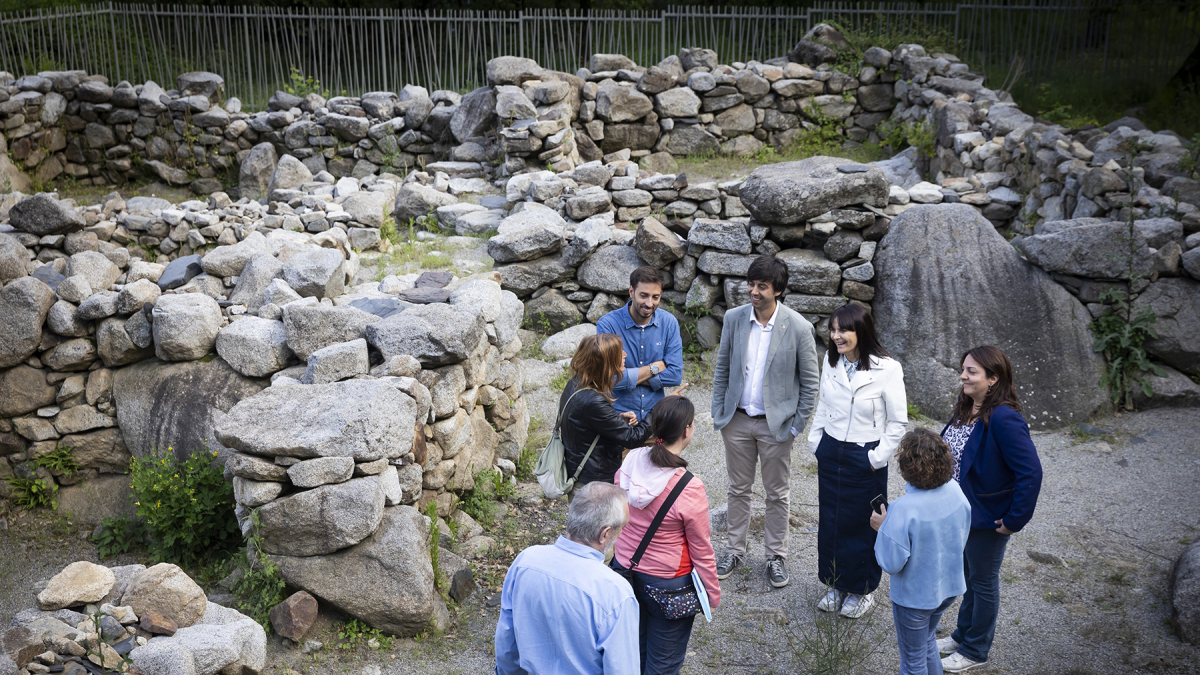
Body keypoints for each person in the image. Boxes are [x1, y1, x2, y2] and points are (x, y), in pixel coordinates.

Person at [712, 255, 820, 588]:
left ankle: (776, 556)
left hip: (777, 426)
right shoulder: (734, 319)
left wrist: (796, 425)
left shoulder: (799, 327)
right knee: (738, 489)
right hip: (738, 421)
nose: (754, 291)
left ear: (778, 291)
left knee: (777, 494)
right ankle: (734, 550)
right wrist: (720, 413)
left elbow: (811, 382)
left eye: (762, 286)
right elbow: (722, 369)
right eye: (752, 284)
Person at [937, 346, 1043, 673]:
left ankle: (975, 649)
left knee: (982, 582)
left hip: (986, 518)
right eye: (963, 369)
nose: (963, 376)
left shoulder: (1005, 418)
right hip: (959, 515)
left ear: (993, 379)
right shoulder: (965, 408)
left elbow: (1031, 472)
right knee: (968, 578)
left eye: (971, 372)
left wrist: (1014, 521)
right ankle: (961, 635)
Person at [807, 303, 909, 618]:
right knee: (832, 521)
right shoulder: (831, 360)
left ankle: (862, 590)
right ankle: (836, 583)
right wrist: (816, 441)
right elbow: (823, 402)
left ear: (860, 331)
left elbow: (898, 422)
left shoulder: (888, 368)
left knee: (863, 524)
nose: (836, 336)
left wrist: (877, 457)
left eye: (844, 330)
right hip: (831, 450)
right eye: (833, 330)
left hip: (865, 455)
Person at [611, 396, 721, 675]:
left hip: (623, 570)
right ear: (687, 430)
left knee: (631, 653)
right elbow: (701, 548)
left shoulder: (630, 462)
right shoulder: (689, 486)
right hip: (668, 584)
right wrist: (711, 592)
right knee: (663, 665)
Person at [495, 482, 640, 675]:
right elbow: (622, 670)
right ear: (605, 534)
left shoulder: (526, 561)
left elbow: (506, 640)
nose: (621, 533)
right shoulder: (616, 593)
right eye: (622, 527)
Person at [871, 429, 971, 675]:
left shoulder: (903, 508)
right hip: (948, 589)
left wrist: (882, 528)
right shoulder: (956, 491)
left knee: (913, 661)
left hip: (915, 598)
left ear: (906, 467)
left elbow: (891, 562)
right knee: (927, 642)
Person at [560, 333, 654, 486]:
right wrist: (658, 411)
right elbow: (632, 438)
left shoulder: (575, 383)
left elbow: (587, 422)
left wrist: (614, 420)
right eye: (619, 353)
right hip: (595, 484)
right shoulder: (593, 400)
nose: (625, 355)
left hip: (582, 472)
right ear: (606, 362)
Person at [597, 266, 686, 424]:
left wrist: (629, 377)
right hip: (619, 419)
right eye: (643, 296)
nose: (649, 303)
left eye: (655, 297)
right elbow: (609, 378)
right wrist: (655, 368)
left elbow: (675, 375)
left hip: (655, 417)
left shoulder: (669, 323)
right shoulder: (608, 325)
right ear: (631, 292)